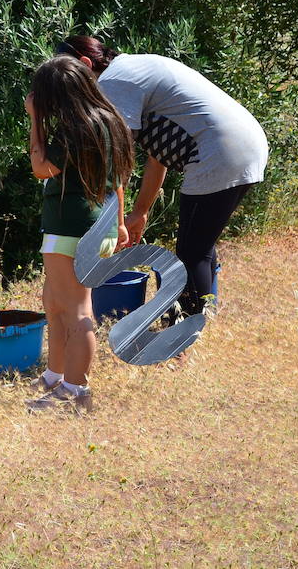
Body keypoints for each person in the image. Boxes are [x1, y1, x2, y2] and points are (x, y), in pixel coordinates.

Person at [57, 36, 268, 318]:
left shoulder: (112, 82)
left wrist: (115, 223)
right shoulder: (135, 68)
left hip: (219, 151)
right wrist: (140, 212)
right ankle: (204, 316)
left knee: (190, 254)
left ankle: (185, 335)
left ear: (85, 64)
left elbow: (116, 161)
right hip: (244, 145)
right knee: (199, 245)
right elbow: (158, 157)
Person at [24, 56, 132, 413]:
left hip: (71, 228)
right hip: (95, 225)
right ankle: (56, 376)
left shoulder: (75, 127)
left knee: (75, 310)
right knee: (55, 304)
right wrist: (117, 223)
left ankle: (74, 391)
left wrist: (35, 119)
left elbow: (40, 168)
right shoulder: (108, 121)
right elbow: (118, 179)